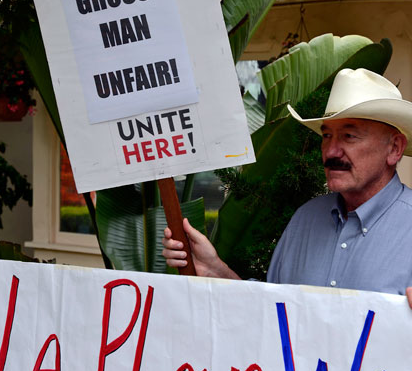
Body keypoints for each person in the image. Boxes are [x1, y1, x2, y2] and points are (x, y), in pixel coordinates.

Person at [162, 68, 412, 307]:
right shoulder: (306, 218)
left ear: (394, 148)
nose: (331, 151)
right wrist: (215, 270)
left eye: (349, 136)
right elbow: (273, 313)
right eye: (326, 136)